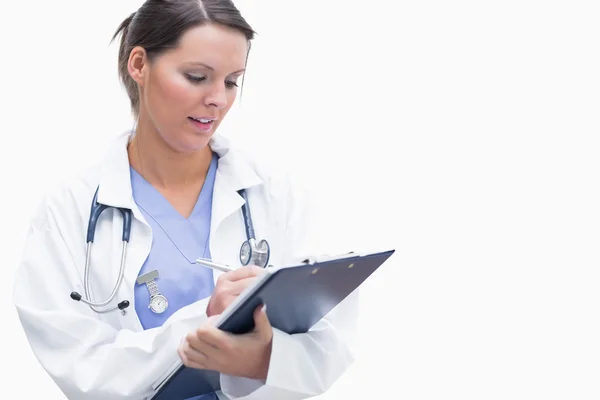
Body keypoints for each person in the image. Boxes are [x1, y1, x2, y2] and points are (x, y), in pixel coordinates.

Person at [12, 1, 358, 399]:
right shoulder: (68, 211)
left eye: (231, 81)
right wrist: (205, 323)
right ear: (139, 64)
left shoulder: (278, 197)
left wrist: (259, 359)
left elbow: (334, 343)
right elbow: (80, 367)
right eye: (197, 77)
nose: (219, 99)